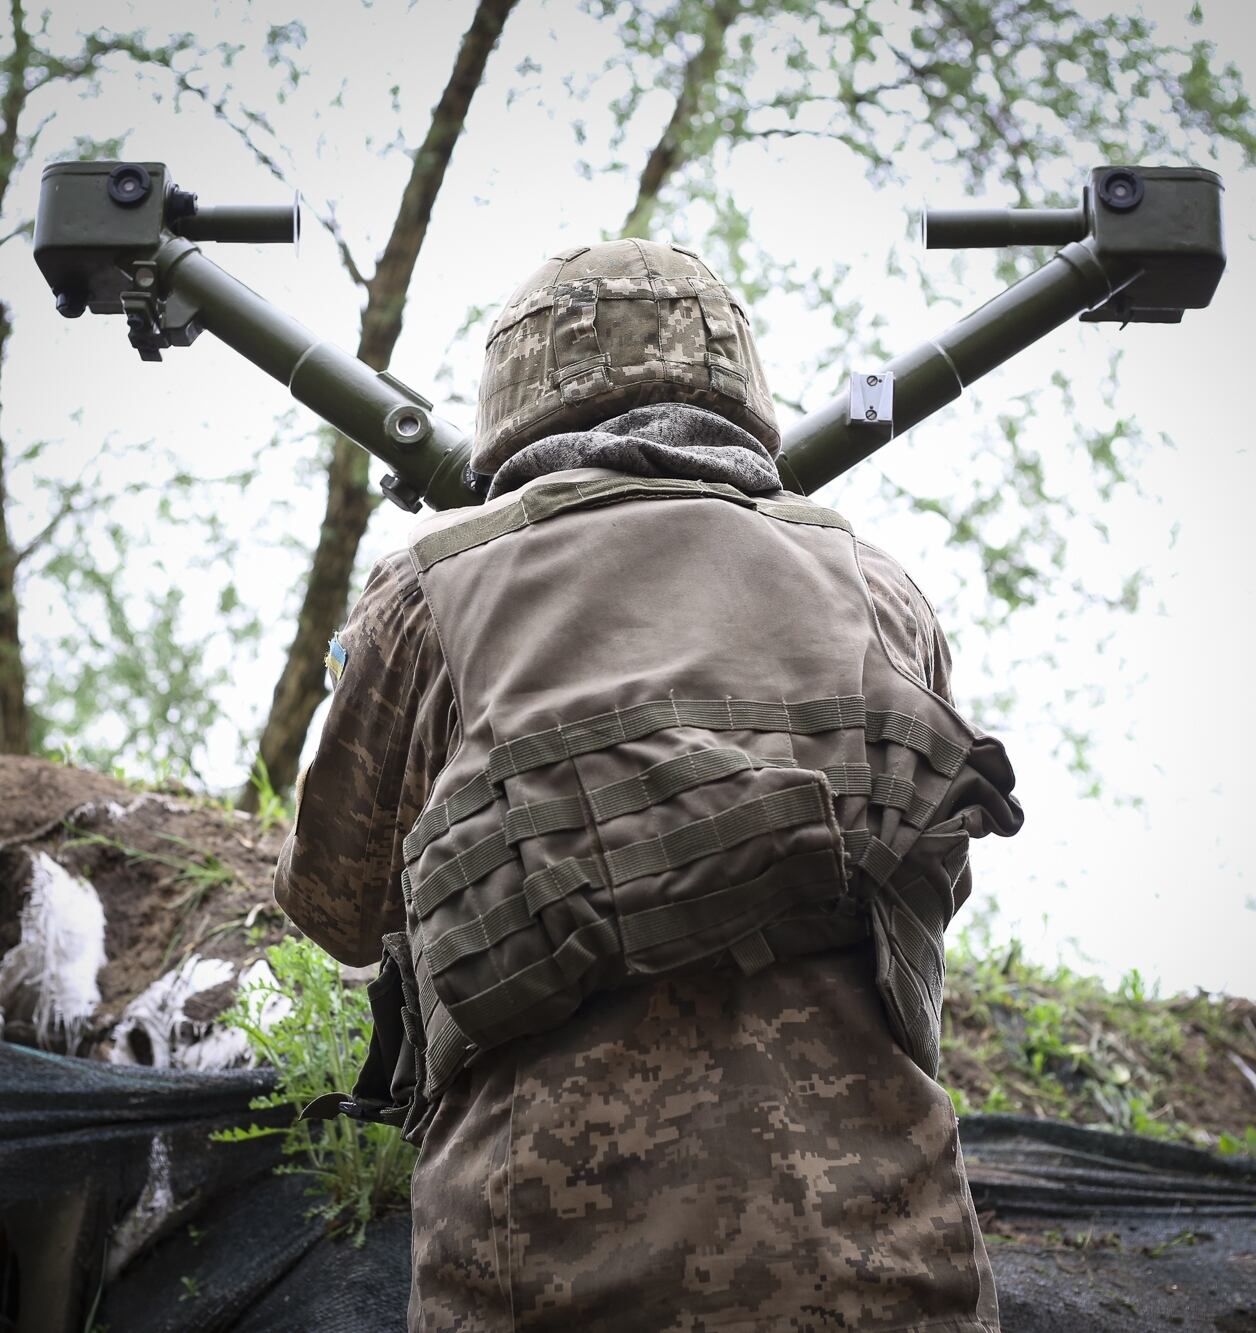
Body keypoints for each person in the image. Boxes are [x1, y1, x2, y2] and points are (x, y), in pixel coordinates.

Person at [273, 238, 1023, 1332]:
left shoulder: (428, 595)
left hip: (550, 1262)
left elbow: (336, 907)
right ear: (739, 395)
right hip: (885, 1259)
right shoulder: (882, 592)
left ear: (516, 407)